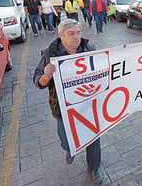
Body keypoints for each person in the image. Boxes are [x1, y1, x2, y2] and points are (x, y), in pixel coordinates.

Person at [33, 19, 103, 184]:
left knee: (93, 138)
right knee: (66, 138)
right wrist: (46, 76)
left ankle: (94, 168)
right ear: (61, 36)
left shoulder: (88, 48)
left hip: (88, 104)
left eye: (78, 33)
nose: (76, 37)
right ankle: (70, 149)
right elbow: (38, 81)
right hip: (63, 108)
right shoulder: (49, 54)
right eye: (71, 34)